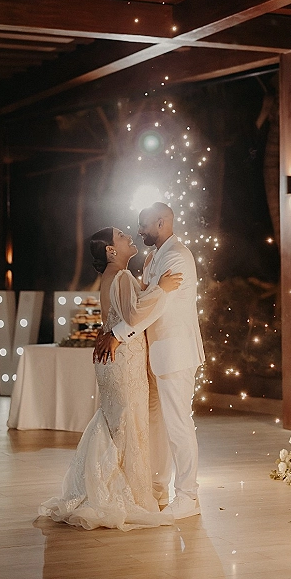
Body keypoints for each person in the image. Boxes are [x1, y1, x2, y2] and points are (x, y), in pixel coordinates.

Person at [37, 225, 181, 531]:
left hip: (116, 360)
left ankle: (102, 486)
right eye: (121, 236)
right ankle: (124, 495)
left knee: (117, 422)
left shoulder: (115, 277)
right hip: (123, 361)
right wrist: (162, 289)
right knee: (128, 423)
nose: (129, 237)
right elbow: (133, 315)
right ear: (111, 250)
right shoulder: (120, 276)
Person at [95, 203, 205, 520]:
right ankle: (157, 489)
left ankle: (188, 496)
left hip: (174, 353)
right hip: (152, 355)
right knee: (156, 426)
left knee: (178, 425)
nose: (139, 230)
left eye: (143, 225)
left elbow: (154, 308)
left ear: (161, 222)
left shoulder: (177, 256)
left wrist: (116, 334)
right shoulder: (155, 255)